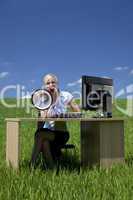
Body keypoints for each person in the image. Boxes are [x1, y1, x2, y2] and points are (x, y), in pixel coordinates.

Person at [30, 73, 80, 169]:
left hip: (61, 133)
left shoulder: (66, 96)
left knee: (39, 135)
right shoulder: (43, 99)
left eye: (53, 82)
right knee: (43, 140)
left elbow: (79, 113)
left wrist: (61, 109)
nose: (51, 85)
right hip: (47, 133)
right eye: (47, 83)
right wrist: (49, 100)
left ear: (57, 83)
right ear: (44, 86)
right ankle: (52, 169)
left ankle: (31, 165)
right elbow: (43, 118)